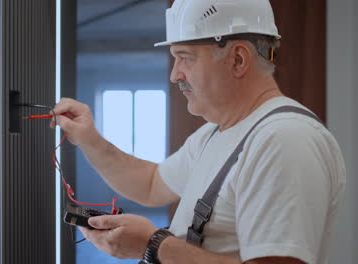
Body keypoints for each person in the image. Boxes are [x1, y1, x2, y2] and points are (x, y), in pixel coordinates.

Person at [51, 0, 346, 263]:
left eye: (185, 57)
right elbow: (151, 184)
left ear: (238, 59)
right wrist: (89, 139)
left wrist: (153, 244)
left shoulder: (284, 141)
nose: (174, 74)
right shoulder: (216, 134)